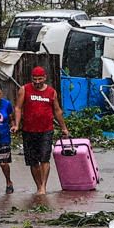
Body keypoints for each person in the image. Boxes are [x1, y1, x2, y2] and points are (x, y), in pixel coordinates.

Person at [16, 65, 69, 193]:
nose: (37, 82)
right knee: (33, 162)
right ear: (31, 78)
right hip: (29, 131)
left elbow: (57, 111)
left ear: (45, 77)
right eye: (35, 79)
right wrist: (17, 124)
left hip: (46, 131)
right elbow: (18, 107)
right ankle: (39, 185)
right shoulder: (24, 89)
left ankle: (43, 186)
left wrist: (64, 128)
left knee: (45, 159)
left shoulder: (51, 92)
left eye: (40, 79)